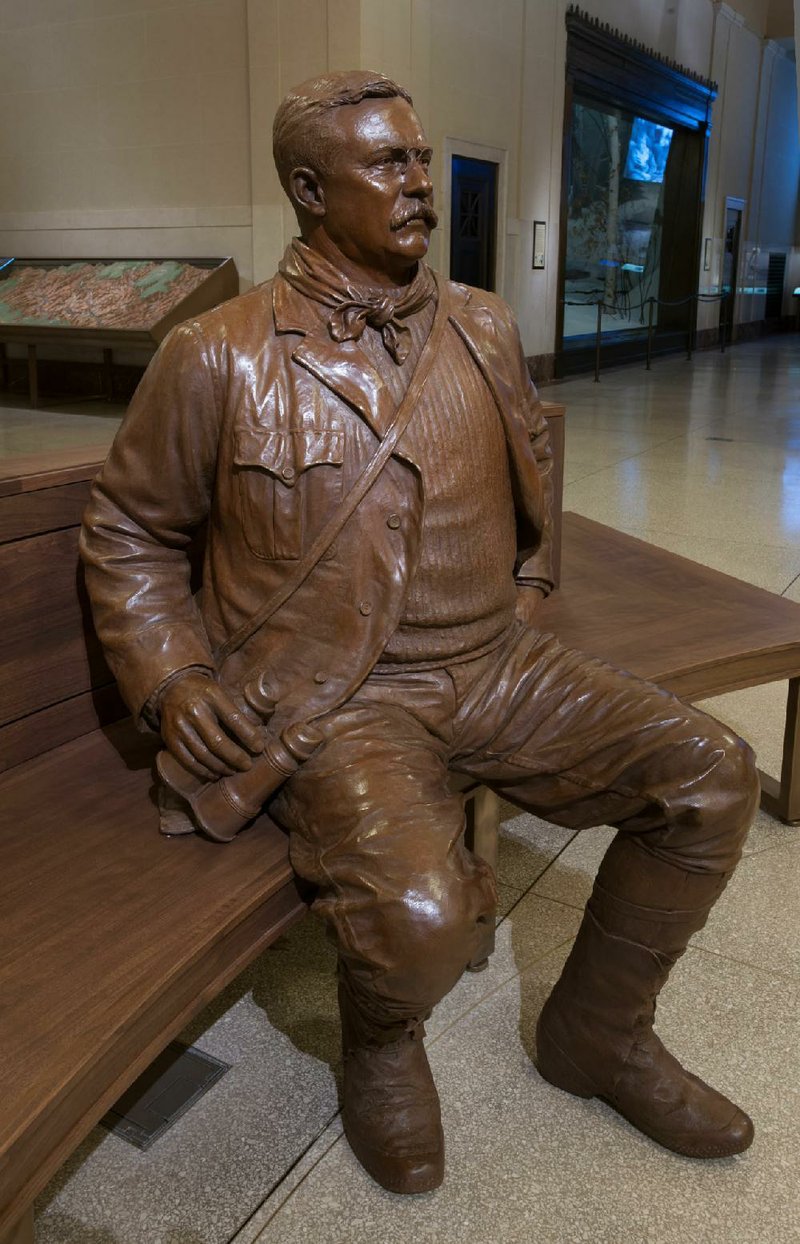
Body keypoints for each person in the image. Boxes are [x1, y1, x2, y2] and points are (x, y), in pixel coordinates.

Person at [80, 70, 759, 1196]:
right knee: (422, 912)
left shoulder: (482, 322)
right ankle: (382, 1043)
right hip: (340, 699)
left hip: (498, 666)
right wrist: (174, 680)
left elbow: (532, 478)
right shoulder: (218, 354)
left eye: (420, 159)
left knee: (709, 774)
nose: (418, 185)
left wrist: (530, 591)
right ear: (308, 189)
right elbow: (129, 531)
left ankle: (599, 1032)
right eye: (386, 164)